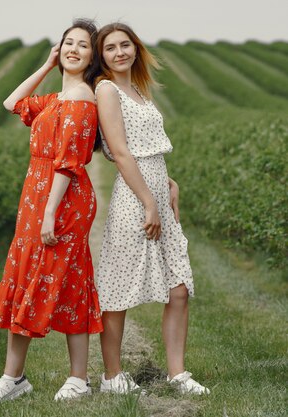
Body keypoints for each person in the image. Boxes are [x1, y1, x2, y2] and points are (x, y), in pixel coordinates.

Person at [0, 19, 103, 406]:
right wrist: (48, 65)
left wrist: (50, 213)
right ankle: (17, 378)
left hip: (61, 200)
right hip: (36, 197)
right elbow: (11, 103)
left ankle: (72, 378)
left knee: (60, 277)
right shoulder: (55, 100)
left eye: (83, 45)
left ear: (92, 56)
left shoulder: (83, 100)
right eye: (68, 43)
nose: (74, 50)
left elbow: (68, 164)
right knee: (33, 275)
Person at [93, 22, 209, 395]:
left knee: (179, 289)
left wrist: (167, 184)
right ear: (103, 57)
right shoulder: (107, 90)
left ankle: (178, 374)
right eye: (110, 48)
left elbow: (149, 147)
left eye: (125, 45)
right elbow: (122, 153)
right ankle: (112, 376)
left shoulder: (140, 90)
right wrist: (148, 201)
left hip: (158, 189)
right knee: (118, 289)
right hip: (134, 197)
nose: (120, 52)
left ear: (136, 48)